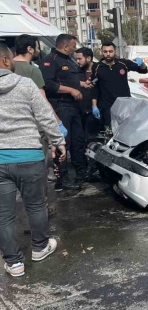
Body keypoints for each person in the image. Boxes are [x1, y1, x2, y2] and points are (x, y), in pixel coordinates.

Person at [0, 43, 65, 277]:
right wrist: (58, 141)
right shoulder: (26, 84)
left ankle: (14, 263)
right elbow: (45, 116)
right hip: (29, 155)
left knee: (3, 215)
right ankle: (39, 248)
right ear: (7, 61)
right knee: (36, 206)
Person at [40, 34, 85, 191]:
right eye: (73, 46)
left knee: (78, 141)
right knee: (63, 142)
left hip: (74, 106)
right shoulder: (50, 60)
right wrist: (71, 90)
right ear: (65, 46)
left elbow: (68, 79)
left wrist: (80, 84)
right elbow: (49, 84)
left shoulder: (69, 60)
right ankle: (62, 178)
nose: (75, 49)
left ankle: (81, 173)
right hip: (61, 105)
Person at [12, 35, 66, 135]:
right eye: (37, 47)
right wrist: (58, 123)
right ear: (30, 49)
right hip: (30, 124)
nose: (39, 50)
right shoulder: (32, 70)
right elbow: (42, 101)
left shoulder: (7, 65)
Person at [92, 42, 147, 130]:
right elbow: (95, 87)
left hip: (124, 104)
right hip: (107, 106)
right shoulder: (97, 67)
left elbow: (143, 71)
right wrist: (94, 106)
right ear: (102, 52)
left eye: (110, 51)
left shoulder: (123, 63)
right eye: (105, 52)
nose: (108, 54)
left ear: (115, 51)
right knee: (110, 131)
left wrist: (141, 63)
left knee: (126, 130)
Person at [75, 47, 101, 145]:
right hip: (81, 109)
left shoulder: (99, 69)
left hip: (96, 110)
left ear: (88, 58)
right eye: (76, 59)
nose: (77, 61)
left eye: (79, 59)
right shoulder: (76, 71)